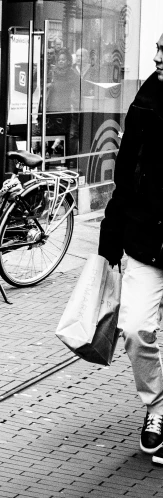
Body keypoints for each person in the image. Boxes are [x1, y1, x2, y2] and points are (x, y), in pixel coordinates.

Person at [98, 31, 163, 463]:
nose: (157, 56)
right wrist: (110, 241)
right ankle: (155, 408)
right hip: (145, 238)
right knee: (137, 327)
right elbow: (125, 173)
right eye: (158, 47)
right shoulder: (147, 98)